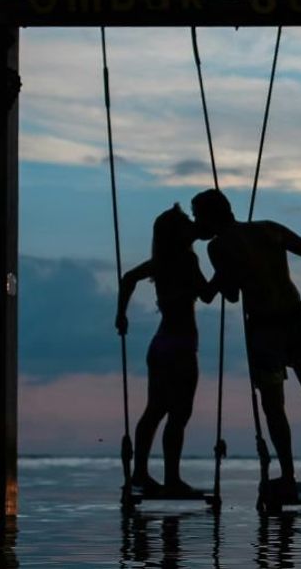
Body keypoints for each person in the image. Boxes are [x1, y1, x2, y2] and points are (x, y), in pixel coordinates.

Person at [190, 188, 301, 498]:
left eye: (197, 216)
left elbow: (231, 295)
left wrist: (217, 274)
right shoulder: (269, 228)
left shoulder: (217, 248)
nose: (194, 222)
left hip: (266, 330)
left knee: (273, 406)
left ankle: (288, 474)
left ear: (208, 219)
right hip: (296, 318)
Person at [116, 204, 217, 494]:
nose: (191, 227)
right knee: (179, 413)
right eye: (187, 223)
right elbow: (208, 295)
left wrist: (121, 314)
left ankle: (140, 473)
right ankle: (171, 478)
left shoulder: (161, 261)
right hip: (181, 346)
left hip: (161, 345)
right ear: (177, 233)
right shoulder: (185, 259)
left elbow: (128, 279)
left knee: (156, 410)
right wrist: (225, 273)